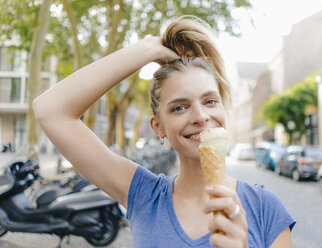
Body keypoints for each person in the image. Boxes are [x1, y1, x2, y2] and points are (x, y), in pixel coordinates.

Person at [33, 15, 295, 248]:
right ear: (158, 127)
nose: (201, 116)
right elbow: (50, 110)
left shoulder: (265, 208)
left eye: (210, 101)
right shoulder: (144, 194)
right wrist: (147, 49)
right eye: (179, 108)